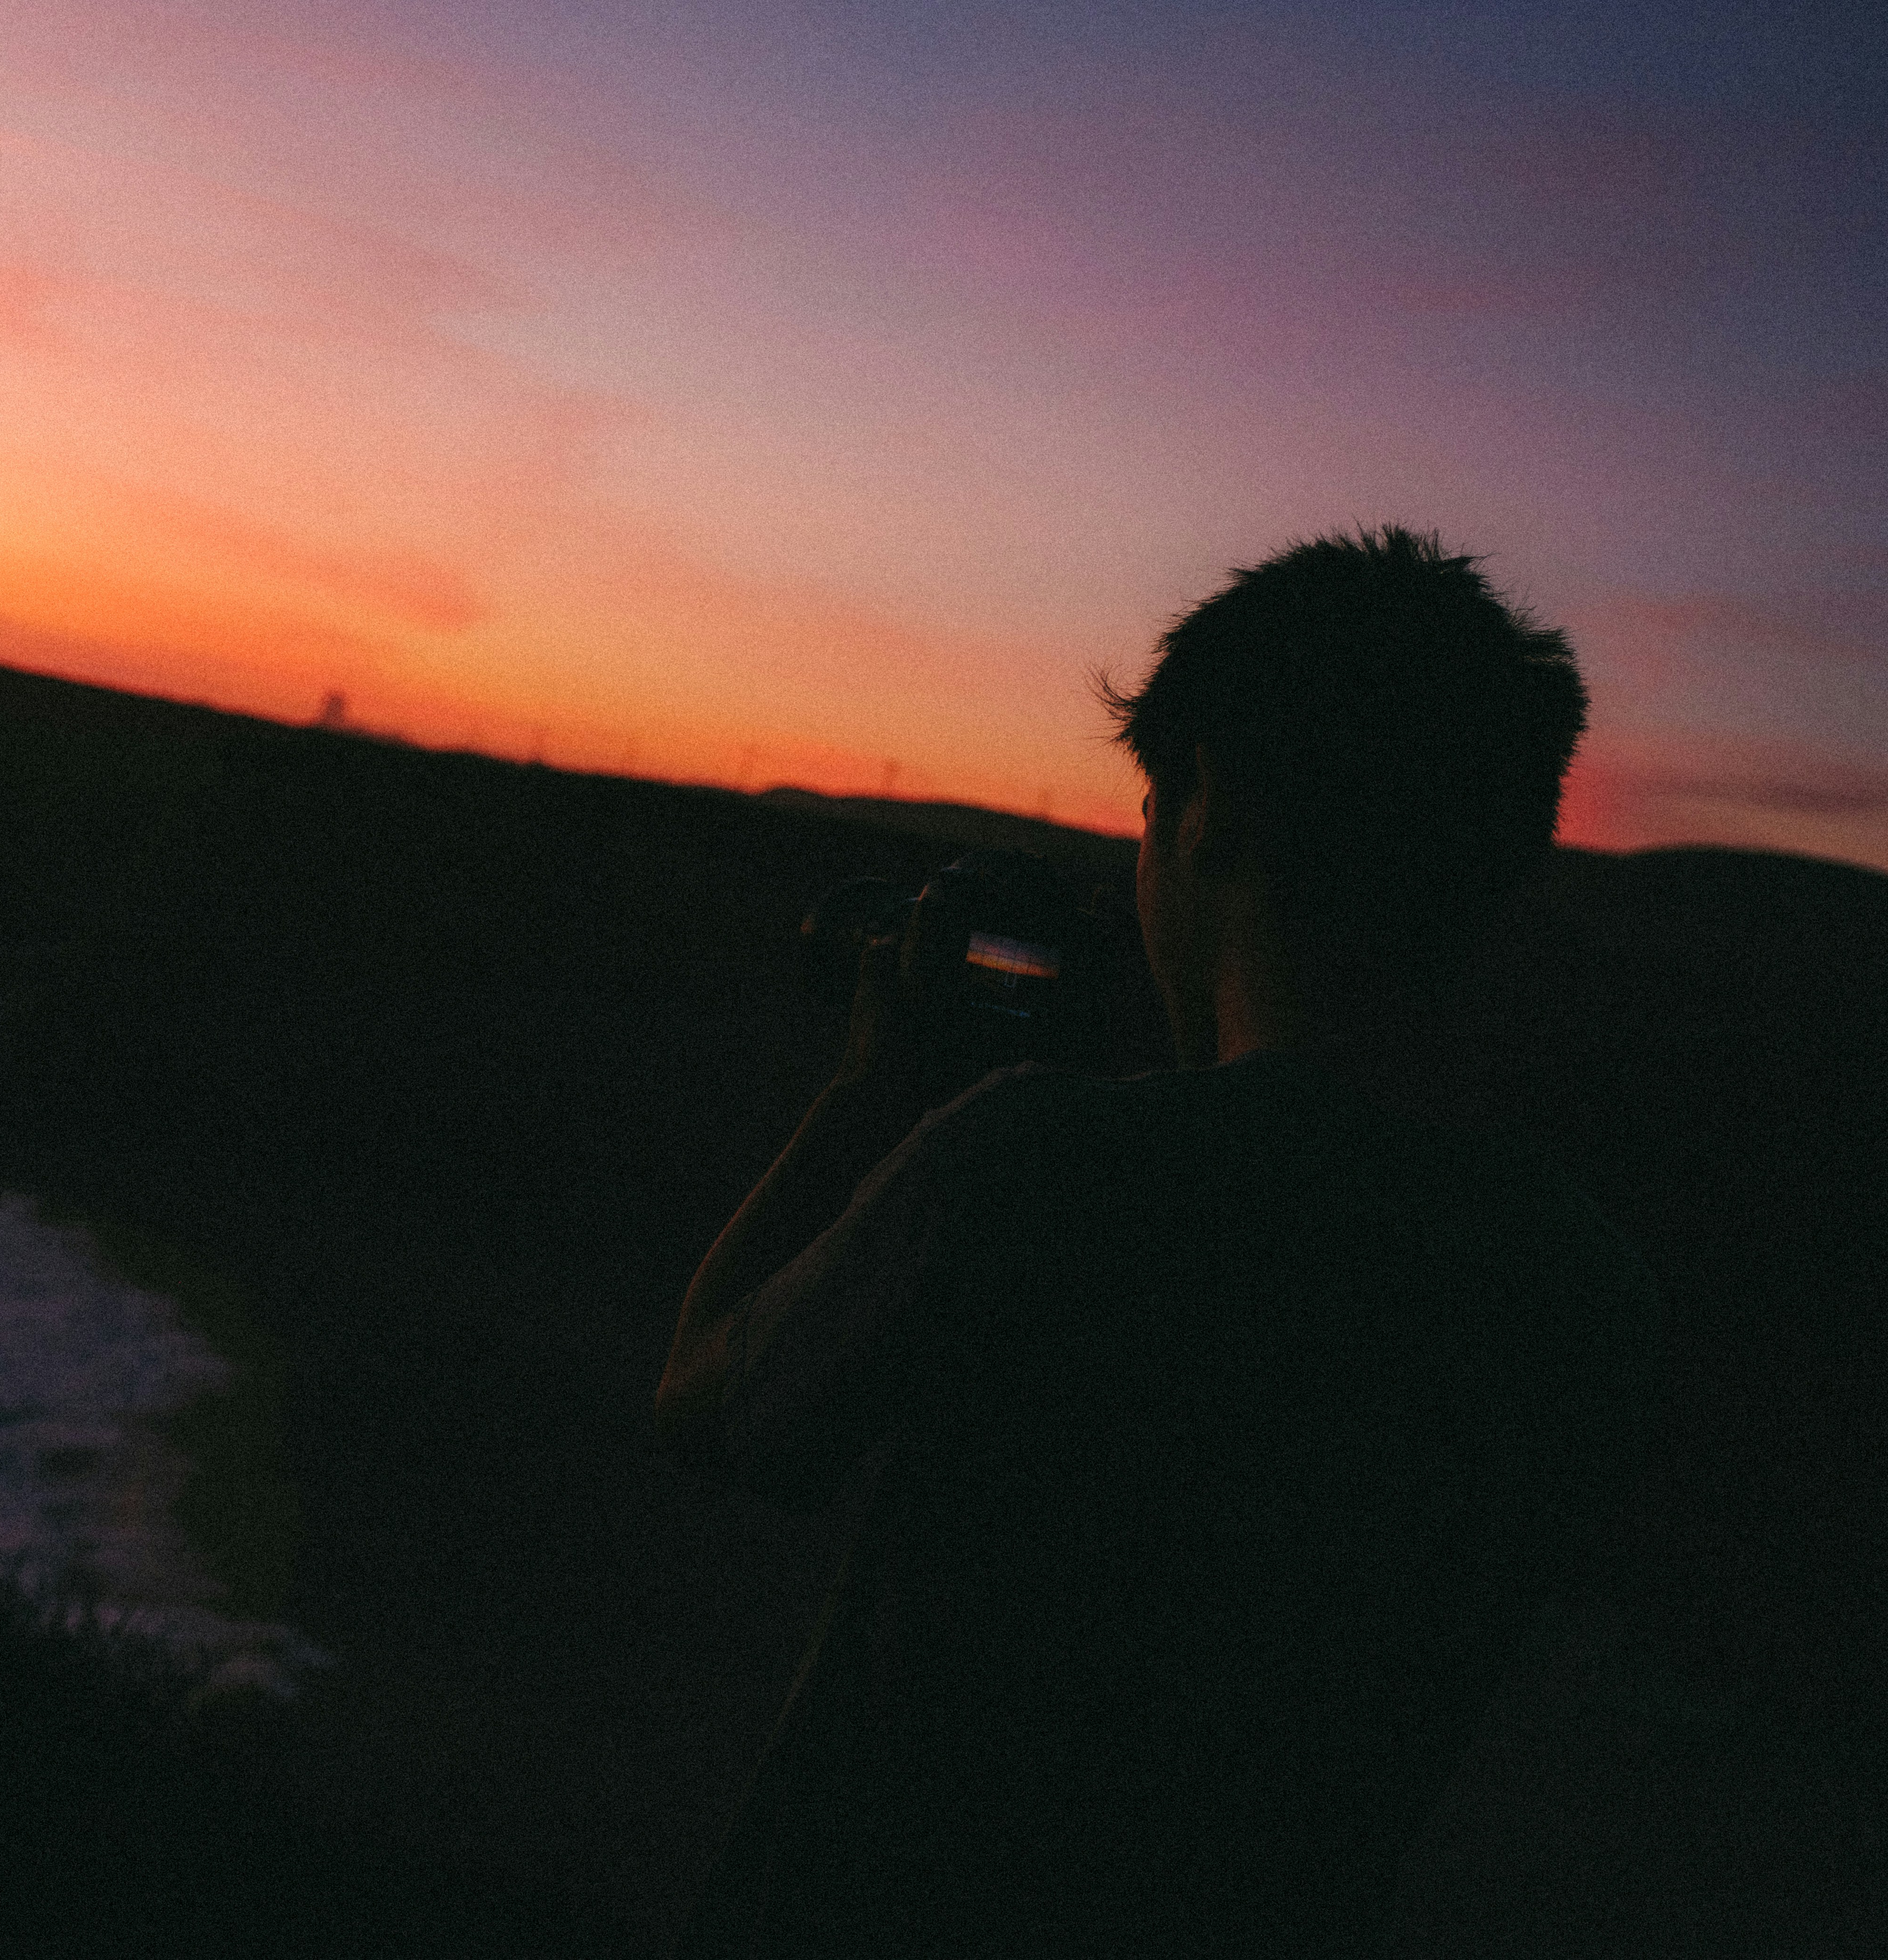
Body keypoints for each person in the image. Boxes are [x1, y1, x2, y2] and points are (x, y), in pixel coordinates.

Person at [655, 528, 1659, 1957]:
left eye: (1148, 808)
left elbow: (710, 1402)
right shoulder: (1583, 1287)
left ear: (1212, 814)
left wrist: (876, 1080)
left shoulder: (1048, 1163)